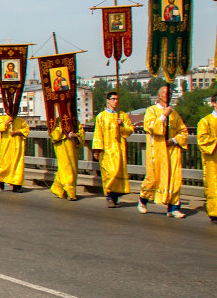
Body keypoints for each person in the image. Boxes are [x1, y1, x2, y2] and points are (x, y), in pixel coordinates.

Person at [138, 85, 188, 218]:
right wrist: (163, 116)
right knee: (153, 178)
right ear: (159, 96)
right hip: (157, 151)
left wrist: (174, 140)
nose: (167, 95)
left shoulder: (175, 114)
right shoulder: (152, 111)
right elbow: (150, 127)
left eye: (169, 93)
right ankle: (143, 200)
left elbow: (183, 132)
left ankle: (173, 207)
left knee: (174, 178)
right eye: (164, 93)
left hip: (171, 151)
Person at [92, 91, 134, 207]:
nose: (116, 101)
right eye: (113, 99)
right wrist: (97, 149)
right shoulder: (101, 116)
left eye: (117, 99)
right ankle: (109, 195)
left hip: (119, 150)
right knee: (110, 173)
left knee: (117, 173)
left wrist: (122, 125)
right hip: (106, 150)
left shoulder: (122, 115)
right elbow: (98, 133)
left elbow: (129, 130)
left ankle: (114, 196)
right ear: (108, 100)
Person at [0, 109, 29, 192]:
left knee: (17, 165)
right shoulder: (2, 119)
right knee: (5, 164)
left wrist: (17, 132)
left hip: (17, 146)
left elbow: (26, 130)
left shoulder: (20, 120)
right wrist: (8, 121)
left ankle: (16, 185)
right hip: (7, 146)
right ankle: (2, 179)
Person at [49, 118, 83, 201]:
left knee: (72, 169)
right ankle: (71, 193)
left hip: (73, 149)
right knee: (66, 169)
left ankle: (59, 190)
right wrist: (63, 132)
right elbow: (53, 134)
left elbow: (81, 133)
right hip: (62, 148)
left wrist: (75, 135)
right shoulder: (57, 121)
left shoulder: (75, 121)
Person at [196, 94, 217, 222]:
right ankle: (214, 212)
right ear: (213, 103)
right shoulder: (206, 121)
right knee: (214, 185)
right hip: (213, 160)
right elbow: (202, 140)